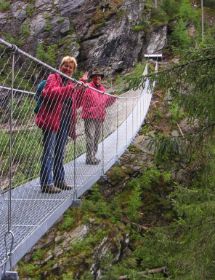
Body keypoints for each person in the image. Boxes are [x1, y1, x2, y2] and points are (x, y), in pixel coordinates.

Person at [36, 56, 87, 193]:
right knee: (49, 152)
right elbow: (49, 93)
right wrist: (71, 88)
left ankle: (59, 180)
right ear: (61, 66)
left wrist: (81, 89)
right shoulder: (53, 77)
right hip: (52, 120)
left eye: (71, 67)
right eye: (66, 65)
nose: (68, 69)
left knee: (59, 153)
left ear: (73, 70)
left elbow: (77, 104)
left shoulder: (71, 83)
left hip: (65, 122)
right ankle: (47, 183)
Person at [82, 69, 116, 165]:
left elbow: (106, 103)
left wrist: (113, 98)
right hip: (89, 116)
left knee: (96, 137)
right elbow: (81, 89)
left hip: (99, 117)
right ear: (92, 78)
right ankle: (89, 158)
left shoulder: (103, 89)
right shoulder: (88, 86)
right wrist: (83, 81)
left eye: (99, 76)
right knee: (90, 137)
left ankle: (93, 156)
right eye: (96, 76)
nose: (98, 77)